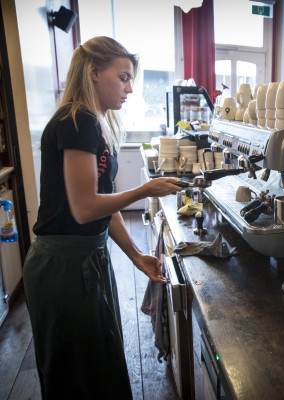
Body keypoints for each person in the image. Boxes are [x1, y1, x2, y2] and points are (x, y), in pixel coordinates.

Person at [21, 37, 182, 399]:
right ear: (94, 73)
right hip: (63, 268)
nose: (129, 88)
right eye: (123, 77)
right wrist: (145, 190)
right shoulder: (77, 121)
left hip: (85, 260)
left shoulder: (95, 125)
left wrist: (136, 256)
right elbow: (84, 207)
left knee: (98, 364)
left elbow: (103, 207)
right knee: (77, 375)